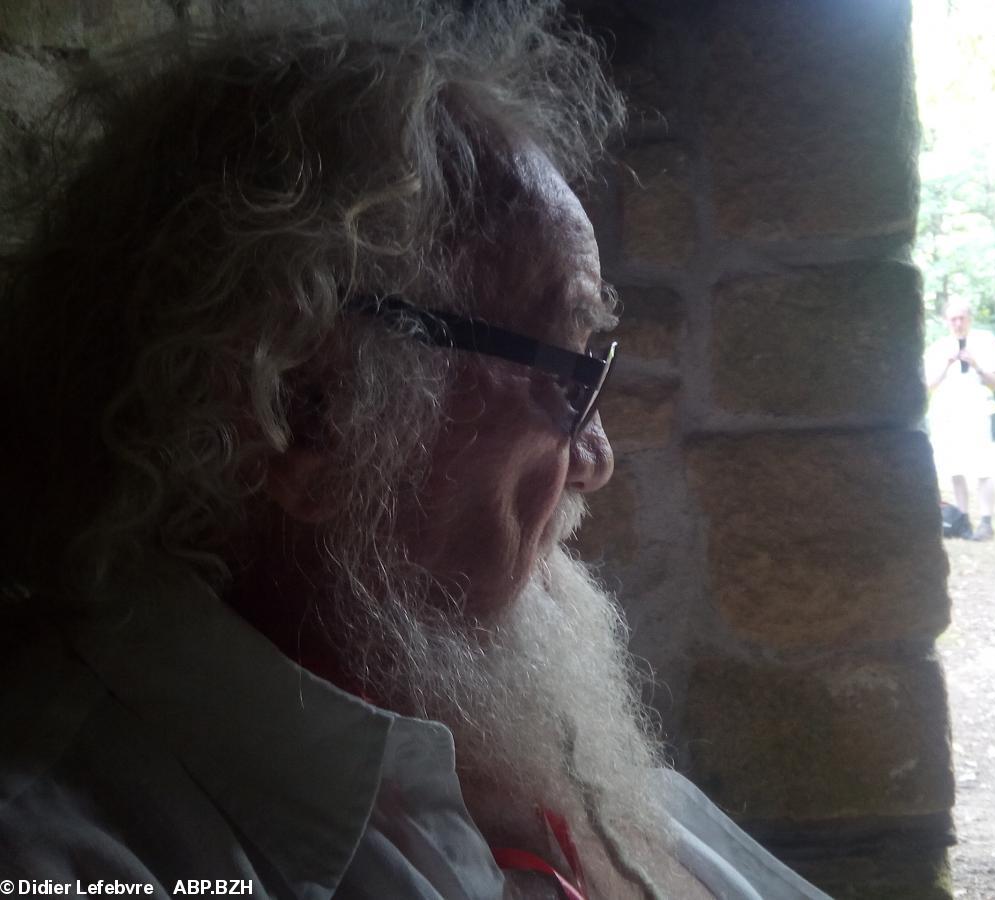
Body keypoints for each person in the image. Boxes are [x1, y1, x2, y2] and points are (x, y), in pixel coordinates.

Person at [0, 5, 830, 899]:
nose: (595, 458)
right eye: (564, 370)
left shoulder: (572, 781)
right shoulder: (70, 860)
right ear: (303, 410)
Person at [924, 299, 995, 541]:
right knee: (953, 467)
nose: (958, 323)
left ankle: (986, 521)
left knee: (983, 466)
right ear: (946, 321)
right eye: (953, 319)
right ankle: (962, 519)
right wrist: (947, 364)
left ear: (970, 318)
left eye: (962, 318)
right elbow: (927, 385)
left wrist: (977, 365)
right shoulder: (938, 348)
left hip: (976, 409)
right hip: (946, 412)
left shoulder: (986, 341)